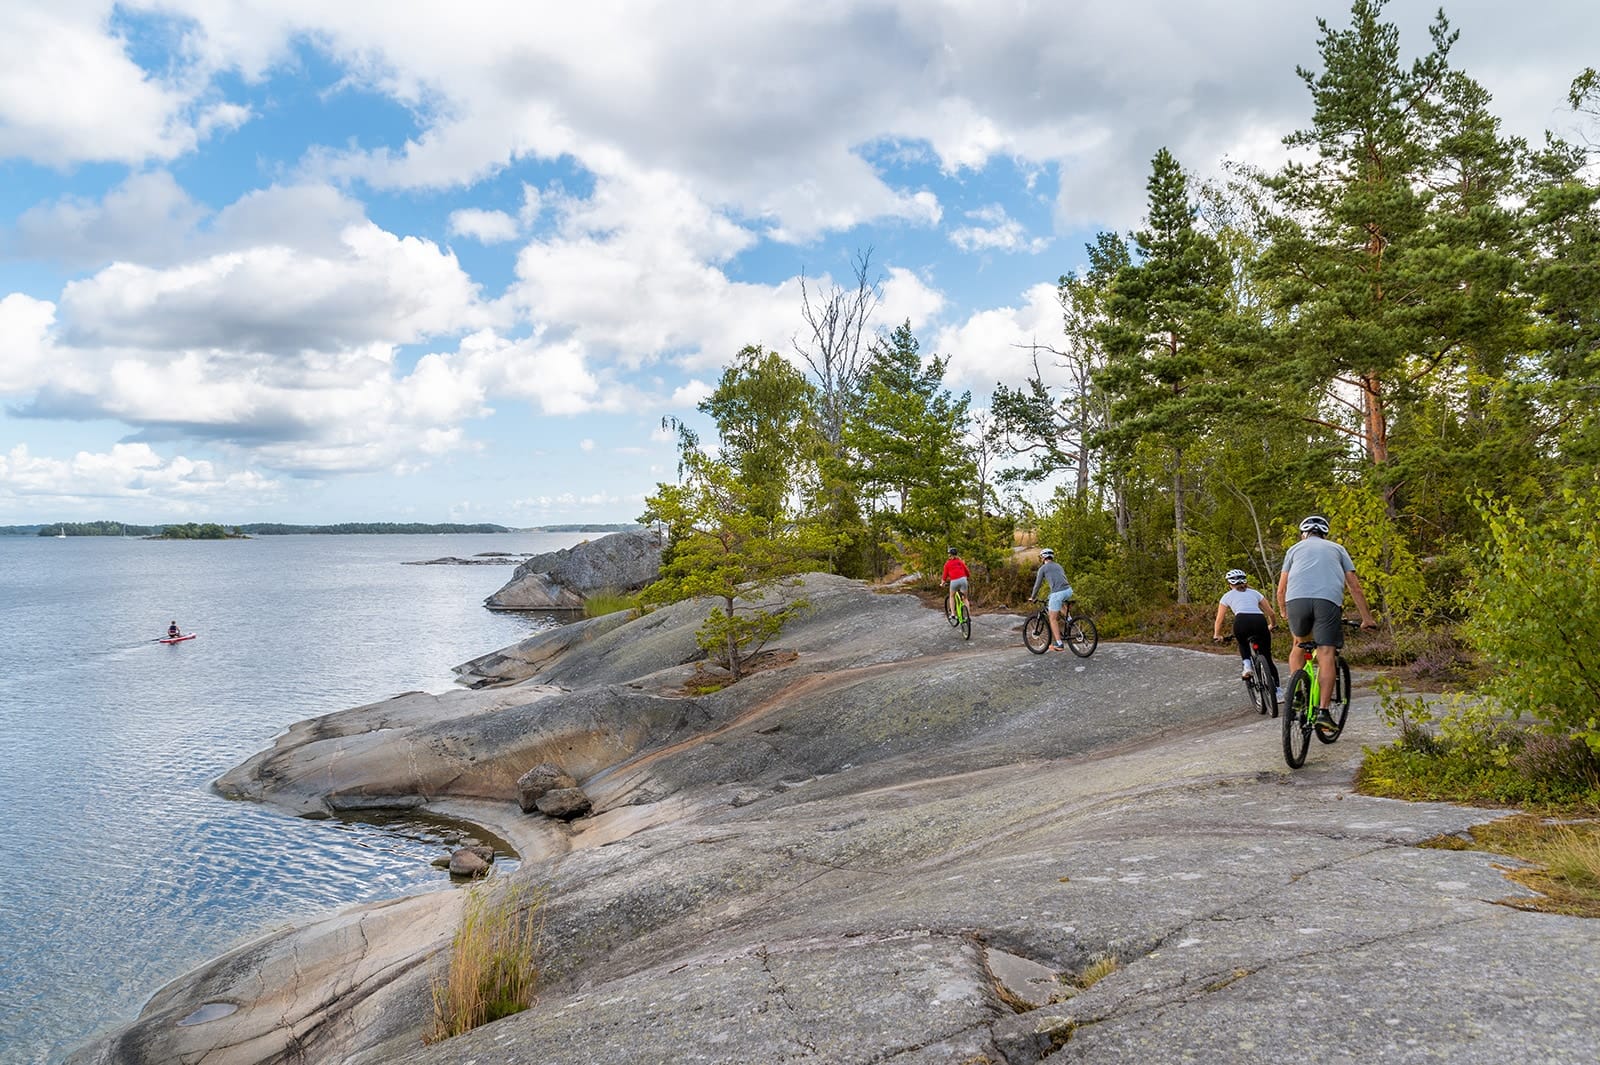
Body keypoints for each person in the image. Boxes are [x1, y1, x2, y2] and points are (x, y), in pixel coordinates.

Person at [1276, 515, 1378, 724]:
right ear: (1324, 534)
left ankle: (1297, 695)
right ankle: (1323, 712)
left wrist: (1283, 612)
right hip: (1327, 602)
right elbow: (1355, 587)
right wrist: (1367, 618)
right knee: (1326, 652)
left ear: (1304, 534)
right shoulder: (1338, 549)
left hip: (1296, 601)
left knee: (1299, 644)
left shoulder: (1293, 549)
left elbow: (1281, 589)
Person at [1213, 568, 1280, 697]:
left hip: (1241, 621)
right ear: (1245, 581)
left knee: (1242, 642)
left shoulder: (1227, 596)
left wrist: (1217, 634)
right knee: (1267, 658)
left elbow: (1219, 620)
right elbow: (1271, 613)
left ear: (1230, 584)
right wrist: (1272, 625)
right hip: (1259, 621)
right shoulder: (1255, 593)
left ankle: (1247, 665)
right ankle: (1278, 692)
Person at [1029, 548, 1073, 651]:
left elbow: (1037, 585)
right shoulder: (1058, 566)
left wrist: (1033, 597)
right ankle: (1070, 621)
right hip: (1068, 590)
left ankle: (1059, 644)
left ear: (1043, 557)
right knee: (1057, 601)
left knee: (1052, 618)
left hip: (1057, 593)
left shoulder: (1043, 568)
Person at [941, 547, 971, 620]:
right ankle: (968, 616)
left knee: (951, 596)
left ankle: (953, 614)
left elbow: (944, 576)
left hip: (954, 581)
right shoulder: (960, 562)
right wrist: (967, 576)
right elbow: (967, 572)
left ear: (949, 555)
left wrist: (942, 583)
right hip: (963, 580)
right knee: (965, 598)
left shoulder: (947, 564)